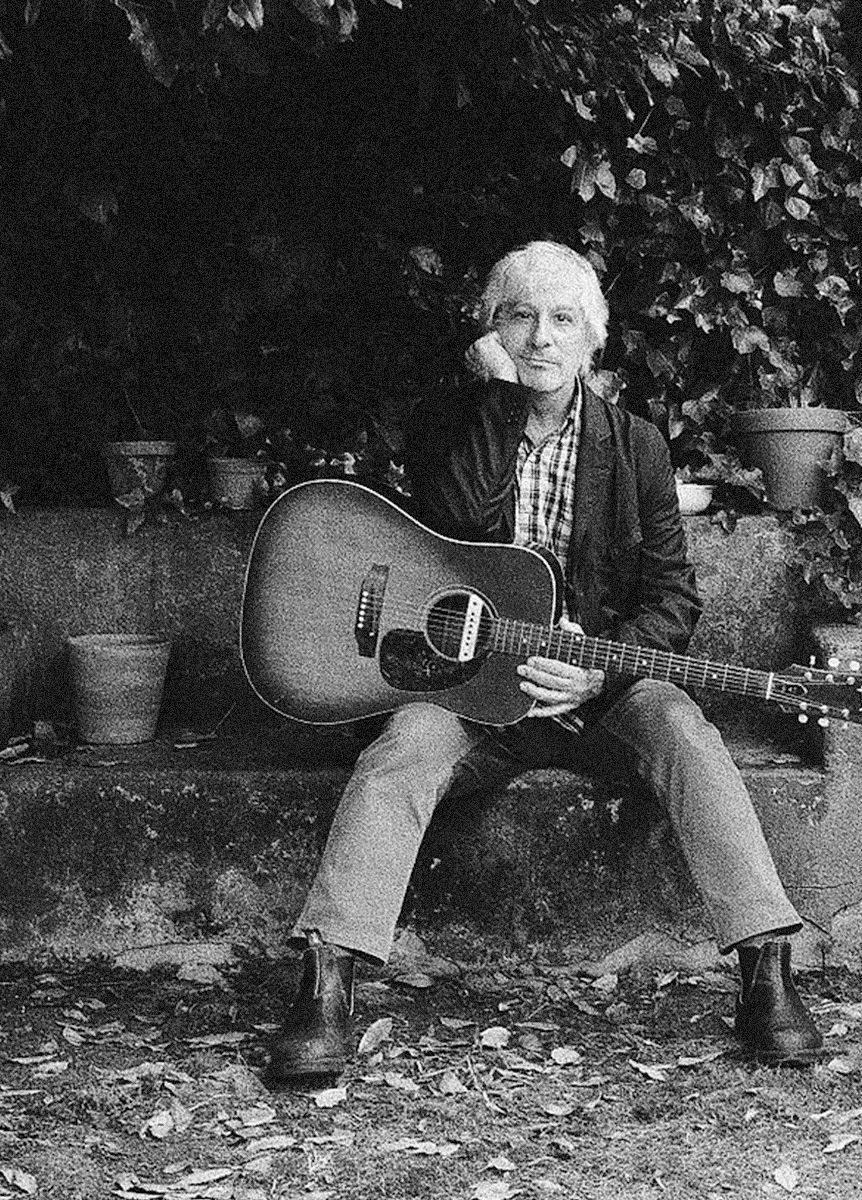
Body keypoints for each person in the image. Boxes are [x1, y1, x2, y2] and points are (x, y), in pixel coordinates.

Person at [263, 240, 823, 1080]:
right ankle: (328, 985)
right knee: (400, 754)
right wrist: (496, 400)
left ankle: (766, 972)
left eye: (562, 320)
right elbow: (453, 522)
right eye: (520, 316)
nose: (540, 339)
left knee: (683, 727)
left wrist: (601, 670)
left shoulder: (635, 447)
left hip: (597, 696)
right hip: (470, 693)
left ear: (592, 340)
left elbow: (673, 599)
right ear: (493, 330)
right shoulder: (450, 426)